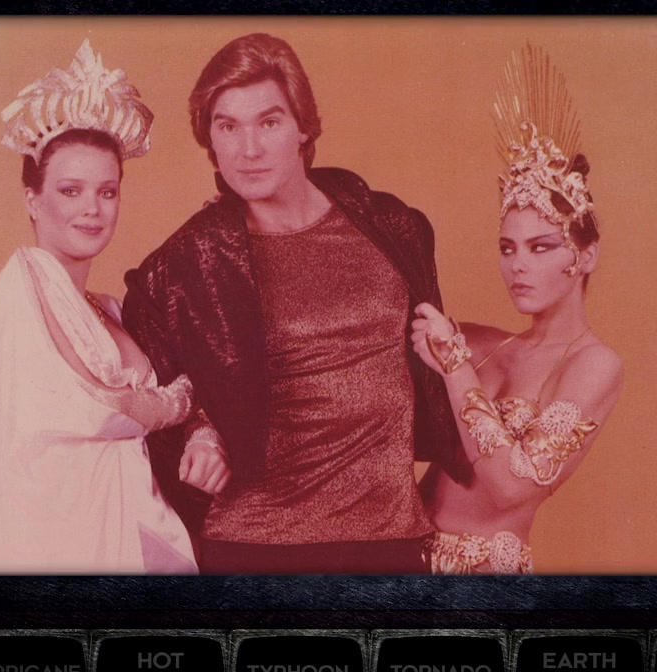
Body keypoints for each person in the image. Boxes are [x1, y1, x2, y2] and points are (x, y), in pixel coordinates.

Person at [122, 33, 470, 574]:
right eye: (227, 127)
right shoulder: (184, 265)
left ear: (303, 126)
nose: (249, 150)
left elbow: (435, 359)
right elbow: (161, 392)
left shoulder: (392, 227)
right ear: (210, 139)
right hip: (255, 549)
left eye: (269, 122)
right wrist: (200, 432)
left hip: (392, 542)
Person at [0, 40, 226, 575]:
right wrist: (186, 396)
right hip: (62, 529)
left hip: (126, 513)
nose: (92, 209)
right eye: (71, 191)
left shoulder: (108, 308)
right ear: (33, 199)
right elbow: (102, 403)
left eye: (107, 192)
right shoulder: (28, 278)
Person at [409, 45, 624, 574]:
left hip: (481, 581)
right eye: (508, 248)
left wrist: (455, 366)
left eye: (541, 247)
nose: (517, 266)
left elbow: (511, 486)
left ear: (585, 256)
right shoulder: (480, 340)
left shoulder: (594, 365)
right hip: (400, 562)